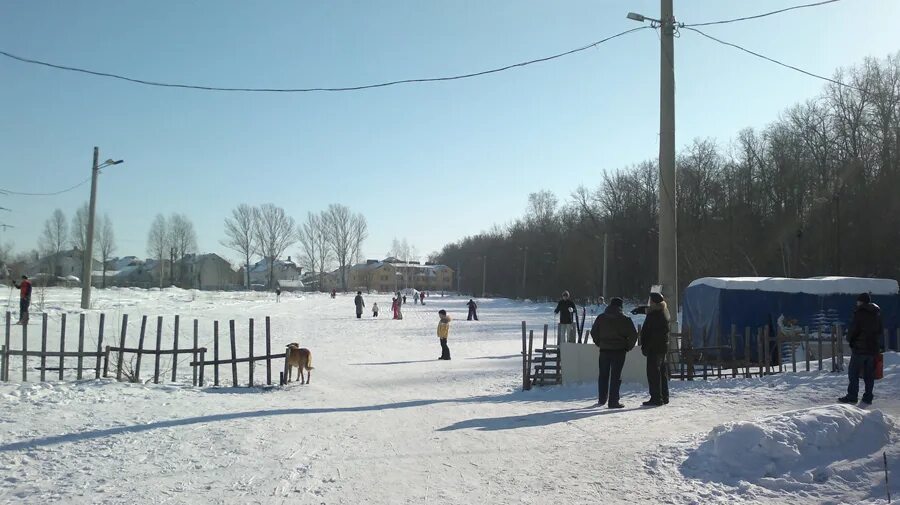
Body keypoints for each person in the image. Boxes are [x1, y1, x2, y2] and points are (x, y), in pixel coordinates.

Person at [590, 297, 638, 408]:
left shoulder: (601, 318)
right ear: (620, 306)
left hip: (604, 350)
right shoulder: (625, 319)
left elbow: (594, 332)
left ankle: (602, 399)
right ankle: (613, 401)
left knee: (603, 375)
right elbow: (633, 335)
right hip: (619, 351)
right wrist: (627, 347)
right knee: (616, 376)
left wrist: (599, 343)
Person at [839, 293, 883, 405]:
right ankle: (868, 397)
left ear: (861, 302)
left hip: (860, 348)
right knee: (869, 374)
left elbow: (854, 329)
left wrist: (850, 340)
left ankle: (852, 396)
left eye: (858, 301)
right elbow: (880, 331)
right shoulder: (876, 313)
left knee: (853, 373)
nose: (856, 303)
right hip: (872, 349)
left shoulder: (860, 313)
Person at [632, 293, 670, 406]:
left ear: (654, 302)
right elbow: (649, 310)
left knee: (653, 373)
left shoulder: (655, 315)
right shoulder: (663, 311)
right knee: (662, 373)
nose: (649, 303)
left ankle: (656, 398)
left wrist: (645, 347)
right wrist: (640, 310)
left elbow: (649, 333)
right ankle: (664, 396)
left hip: (654, 348)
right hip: (662, 347)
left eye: (651, 301)